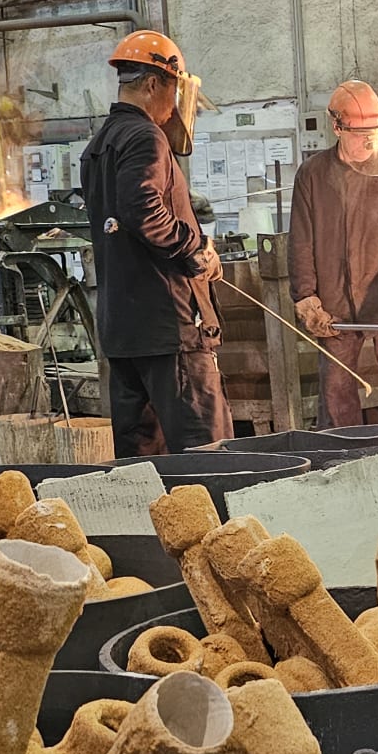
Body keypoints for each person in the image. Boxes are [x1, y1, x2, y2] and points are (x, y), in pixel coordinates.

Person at [81, 30, 232, 455]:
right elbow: (142, 209)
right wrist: (195, 249)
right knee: (209, 454)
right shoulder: (145, 137)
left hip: (124, 333)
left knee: (142, 465)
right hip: (169, 330)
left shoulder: (98, 146)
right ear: (152, 83)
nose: (174, 108)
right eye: (173, 90)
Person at [288, 79, 378, 426]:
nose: (370, 141)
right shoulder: (313, 176)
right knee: (336, 394)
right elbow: (301, 242)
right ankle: (344, 452)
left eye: (375, 133)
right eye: (361, 133)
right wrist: (307, 299)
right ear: (337, 127)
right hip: (335, 306)